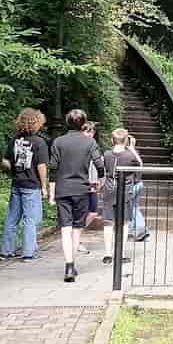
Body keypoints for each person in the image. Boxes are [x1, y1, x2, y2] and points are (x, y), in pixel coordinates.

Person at [49, 109, 105, 282]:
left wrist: (51, 192)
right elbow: (99, 164)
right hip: (81, 189)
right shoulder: (89, 142)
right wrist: (101, 180)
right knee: (76, 228)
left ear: (67, 122)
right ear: (83, 123)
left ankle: (68, 265)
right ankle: (71, 265)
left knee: (65, 228)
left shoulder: (58, 142)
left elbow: (53, 168)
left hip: (63, 190)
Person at [0, 108, 48, 261]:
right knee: (30, 219)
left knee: (12, 218)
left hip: (17, 183)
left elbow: (5, 161)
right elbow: (41, 166)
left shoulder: (14, 140)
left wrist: (14, 169)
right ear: (36, 123)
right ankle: (28, 252)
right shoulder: (39, 142)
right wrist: (44, 186)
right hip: (32, 185)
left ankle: (6, 251)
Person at [97, 128, 146, 264]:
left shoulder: (106, 154)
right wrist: (132, 149)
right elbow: (140, 167)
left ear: (112, 140)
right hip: (125, 191)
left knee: (108, 223)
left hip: (109, 190)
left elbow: (101, 168)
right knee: (123, 223)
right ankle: (121, 253)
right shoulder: (130, 156)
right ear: (126, 140)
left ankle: (107, 254)